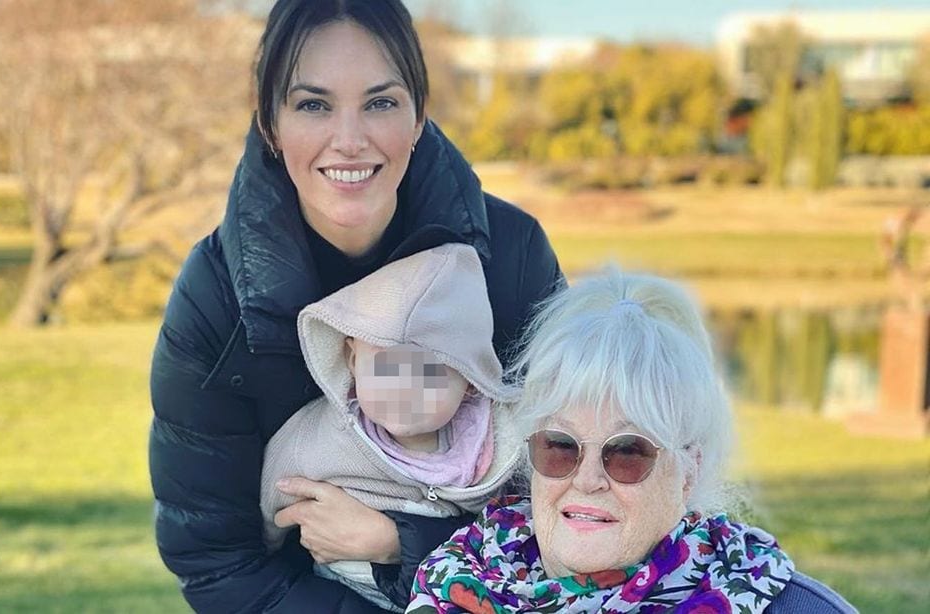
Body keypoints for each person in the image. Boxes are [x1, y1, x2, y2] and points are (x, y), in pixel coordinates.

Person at [147, 0, 564, 611]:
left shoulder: (511, 257)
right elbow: (215, 561)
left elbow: (579, 499)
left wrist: (403, 541)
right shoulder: (214, 298)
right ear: (270, 122)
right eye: (313, 104)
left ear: (419, 117)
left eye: (381, 102)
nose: (349, 140)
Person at [408, 270, 858, 614]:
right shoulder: (457, 582)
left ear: (689, 472)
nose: (587, 480)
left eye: (626, 452)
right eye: (560, 446)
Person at [260, 243, 523, 613]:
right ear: (352, 359)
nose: (405, 386)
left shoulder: (496, 449)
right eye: (386, 365)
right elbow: (272, 497)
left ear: (469, 378)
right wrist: (269, 543)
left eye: (431, 369)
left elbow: (518, 532)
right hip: (343, 595)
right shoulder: (319, 437)